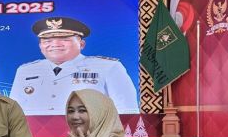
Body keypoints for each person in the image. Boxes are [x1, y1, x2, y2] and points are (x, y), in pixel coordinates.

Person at [9, 16, 140, 114]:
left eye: (64, 39)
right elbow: (14, 113)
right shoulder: (26, 70)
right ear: (40, 46)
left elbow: (127, 111)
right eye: (47, 40)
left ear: (81, 44)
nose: (55, 44)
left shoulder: (109, 67)